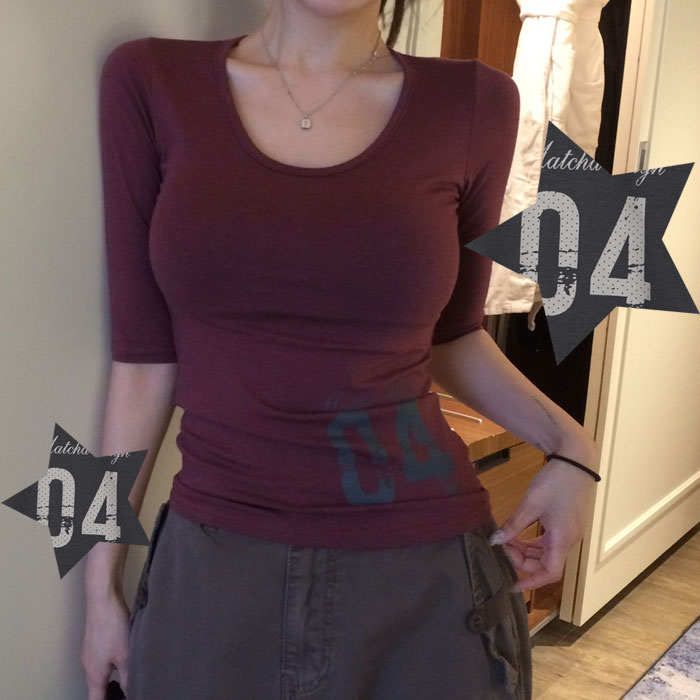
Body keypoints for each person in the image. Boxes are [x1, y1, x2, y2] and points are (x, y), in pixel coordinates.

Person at [82, 1, 600, 698]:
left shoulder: (476, 102)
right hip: (213, 576)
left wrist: (572, 446)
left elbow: (453, 335)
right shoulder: (147, 80)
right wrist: (98, 590)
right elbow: (140, 361)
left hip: (423, 585)